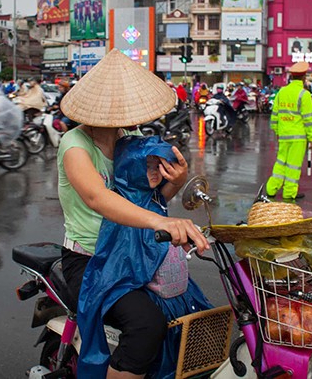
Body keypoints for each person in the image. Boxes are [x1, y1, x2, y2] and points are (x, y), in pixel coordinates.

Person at [58, 49, 209, 379]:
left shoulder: (130, 142)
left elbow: (150, 201)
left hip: (132, 254)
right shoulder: (75, 145)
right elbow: (98, 198)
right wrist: (163, 222)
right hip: (89, 261)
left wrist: (178, 180)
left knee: (185, 308)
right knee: (147, 325)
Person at [78, 136, 212, 378]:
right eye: (147, 166)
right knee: (148, 327)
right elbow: (123, 258)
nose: (154, 173)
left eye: (157, 166)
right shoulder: (123, 205)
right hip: (120, 279)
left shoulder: (153, 197)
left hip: (160, 282)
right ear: (132, 167)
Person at [266, 61, 312, 201]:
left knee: (281, 162)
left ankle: (271, 189)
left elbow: (275, 114)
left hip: (283, 135)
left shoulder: (281, 92)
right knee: (293, 166)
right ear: (303, 77)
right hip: (298, 137)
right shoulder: (304, 94)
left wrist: (276, 131)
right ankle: (289, 193)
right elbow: (309, 119)